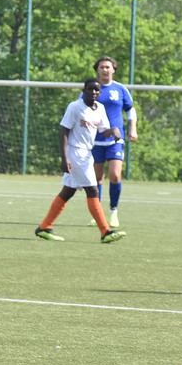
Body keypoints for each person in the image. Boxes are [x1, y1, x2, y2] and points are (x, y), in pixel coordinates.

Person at [35, 79, 127, 244]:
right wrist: (65, 158)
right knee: (92, 191)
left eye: (97, 90)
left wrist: (113, 131)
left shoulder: (100, 108)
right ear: (84, 90)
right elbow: (64, 131)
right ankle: (105, 231)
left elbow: (103, 131)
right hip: (74, 152)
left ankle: (44, 226)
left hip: (86, 154)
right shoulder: (75, 107)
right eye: (90, 89)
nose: (94, 93)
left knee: (68, 191)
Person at [90, 56, 137, 228]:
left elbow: (130, 110)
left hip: (116, 139)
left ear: (113, 69)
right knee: (96, 178)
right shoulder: (91, 88)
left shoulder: (120, 89)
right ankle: (97, 213)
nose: (104, 70)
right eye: (101, 67)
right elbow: (82, 109)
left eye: (107, 67)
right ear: (97, 70)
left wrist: (133, 128)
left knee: (115, 175)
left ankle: (114, 210)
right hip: (95, 139)